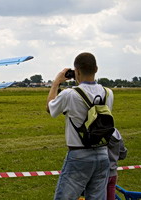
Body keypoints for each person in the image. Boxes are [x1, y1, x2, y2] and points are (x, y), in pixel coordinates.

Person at [46, 52, 113, 200]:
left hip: (79, 155)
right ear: (96, 69)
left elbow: (50, 109)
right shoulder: (108, 93)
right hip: (102, 154)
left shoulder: (70, 94)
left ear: (76, 71)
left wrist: (56, 83)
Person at [107, 128, 127, 200]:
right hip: (113, 173)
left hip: (99, 174)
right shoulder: (116, 132)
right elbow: (123, 154)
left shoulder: (96, 132)